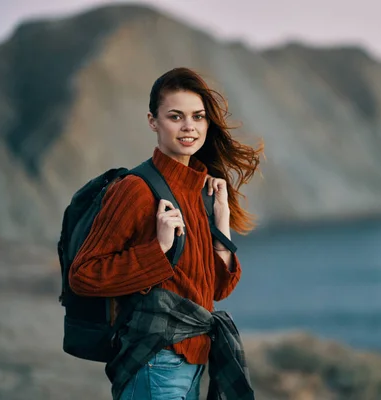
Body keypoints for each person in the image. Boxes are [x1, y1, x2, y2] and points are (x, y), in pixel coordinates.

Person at [68, 67, 262, 399]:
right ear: (153, 121)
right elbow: (84, 275)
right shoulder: (135, 189)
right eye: (176, 116)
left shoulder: (200, 189)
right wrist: (158, 249)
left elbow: (219, 288)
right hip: (155, 362)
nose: (189, 126)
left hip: (193, 364)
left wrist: (222, 220)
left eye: (198, 117)